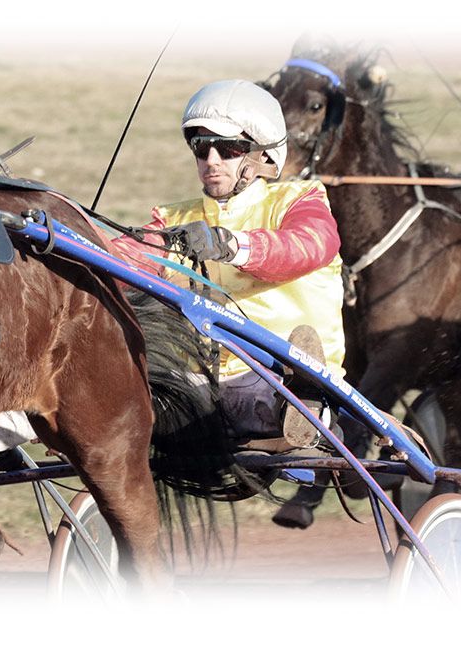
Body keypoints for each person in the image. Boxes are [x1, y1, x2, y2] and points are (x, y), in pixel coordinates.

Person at [114, 80, 346, 448]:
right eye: (201, 148)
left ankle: (305, 403)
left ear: (263, 156)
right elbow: (123, 261)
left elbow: (312, 244)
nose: (211, 162)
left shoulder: (298, 199)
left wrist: (231, 245)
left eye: (228, 148)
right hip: (193, 383)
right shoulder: (175, 219)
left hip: (272, 372)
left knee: (255, 394)